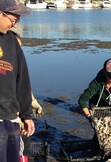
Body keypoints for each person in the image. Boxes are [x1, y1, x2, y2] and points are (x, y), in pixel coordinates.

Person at [0, 0, 35, 161]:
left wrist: (27, 115)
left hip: (11, 121)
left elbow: (23, 81)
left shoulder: (12, 42)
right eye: (13, 20)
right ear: (1, 13)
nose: (14, 25)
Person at [12, 30, 44, 157]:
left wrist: (33, 101)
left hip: (21, 115)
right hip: (8, 117)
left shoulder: (18, 63)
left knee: (24, 146)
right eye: (16, 47)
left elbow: (23, 86)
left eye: (20, 48)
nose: (19, 51)